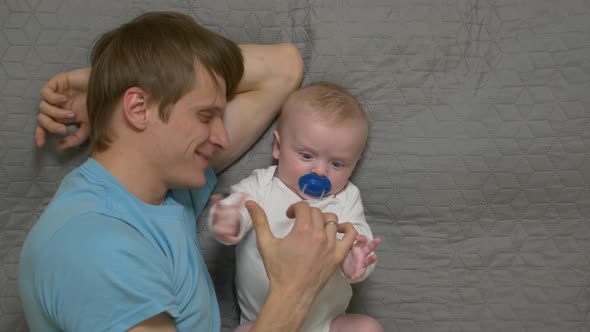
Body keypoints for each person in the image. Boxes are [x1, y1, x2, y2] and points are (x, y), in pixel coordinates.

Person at [19, 11, 359, 332]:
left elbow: (283, 68)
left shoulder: (165, 193)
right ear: (139, 109)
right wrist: (294, 290)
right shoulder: (93, 248)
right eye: (206, 116)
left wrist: (103, 84)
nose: (222, 136)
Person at [209, 82, 383, 332]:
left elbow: (357, 234)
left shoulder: (346, 197)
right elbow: (241, 208)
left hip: (325, 324)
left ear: (354, 164)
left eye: (337, 164)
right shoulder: (262, 185)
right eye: (307, 156)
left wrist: (355, 259)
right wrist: (228, 220)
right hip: (265, 321)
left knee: (367, 327)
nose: (320, 171)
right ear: (278, 147)